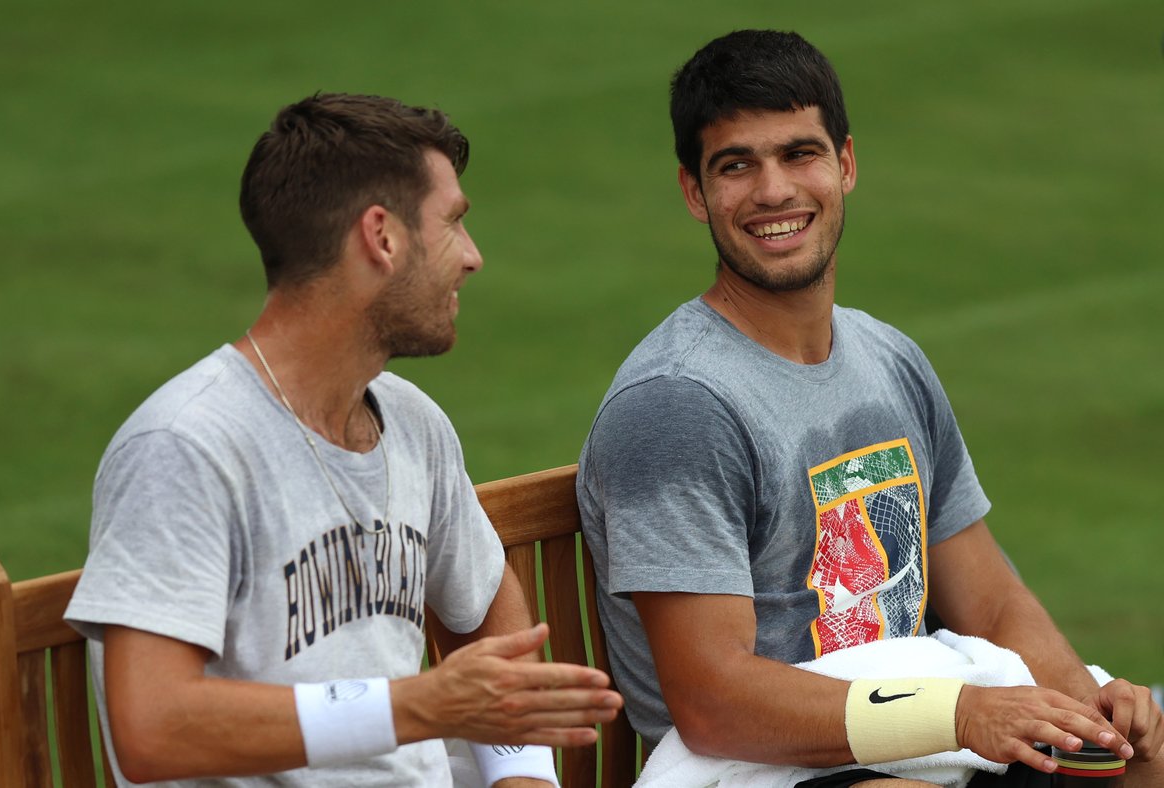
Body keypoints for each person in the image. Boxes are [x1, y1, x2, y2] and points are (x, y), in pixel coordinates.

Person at [576, 30, 1163, 788]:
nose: (773, 191)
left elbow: (992, 606)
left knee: (1140, 760)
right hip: (762, 765)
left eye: (799, 154)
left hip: (920, 738)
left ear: (845, 164)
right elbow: (714, 700)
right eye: (735, 165)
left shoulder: (890, 359)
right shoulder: (678, 404)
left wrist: (1088, 710)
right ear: (695, 192)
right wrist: (953, 716)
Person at [64, 93, 622, 787]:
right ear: (382, 237)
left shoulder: (413, 422)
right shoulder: (185, 446)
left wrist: (523, 779)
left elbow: (491, 629)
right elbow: (152, 728)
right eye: (453, 224)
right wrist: (415, 705)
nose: (473, 258)